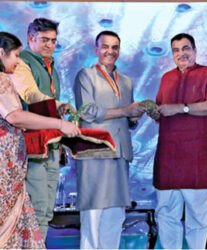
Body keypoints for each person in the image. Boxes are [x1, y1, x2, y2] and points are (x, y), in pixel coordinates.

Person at [0, 32, 80, 249]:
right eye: (15, 55)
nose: (17, 61)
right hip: (5, 164)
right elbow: (15, 116)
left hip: (12, 161)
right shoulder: (2, 80)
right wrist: (60, 124)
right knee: (11, 217)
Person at [147, 33, 207, 249]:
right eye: (176, 50)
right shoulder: (167, 78)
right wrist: (154, 113)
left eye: (185, 48)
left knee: (198, 215)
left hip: (197, 156)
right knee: (166, 213)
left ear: (195, 50)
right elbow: (162, 111)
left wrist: (181, 108)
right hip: (169, 157)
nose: (181, 54)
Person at [74, 30, 145, 249]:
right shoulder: (85, 75)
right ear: (96, 49)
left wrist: (134, 117)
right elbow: (88, 112)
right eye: (105, 46)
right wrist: (126, 110)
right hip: (95, 150)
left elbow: (127, 119)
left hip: (120, 153)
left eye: (115, 47)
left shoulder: (126, 81)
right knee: (93, 213)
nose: (110, 51)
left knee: (116, 214)